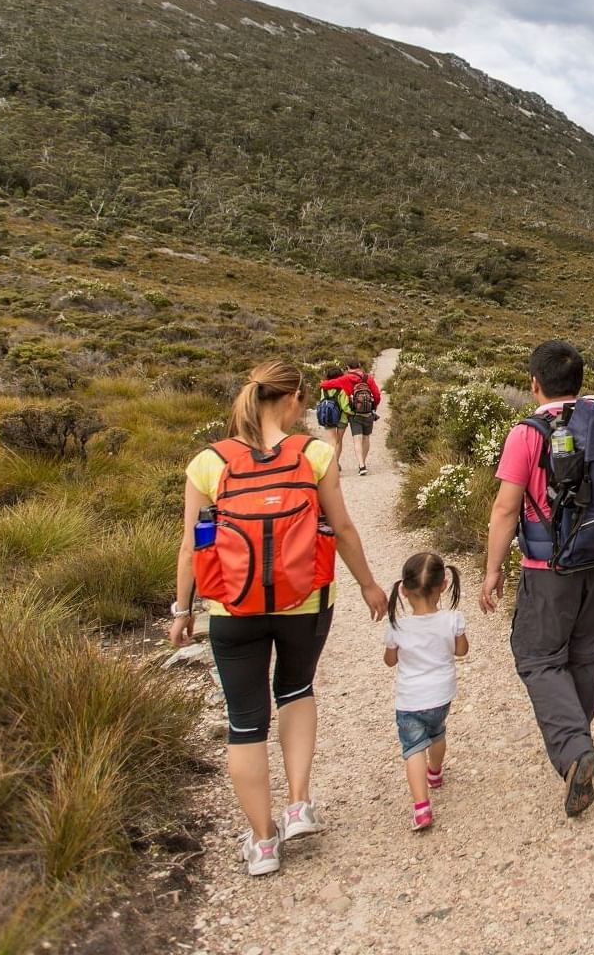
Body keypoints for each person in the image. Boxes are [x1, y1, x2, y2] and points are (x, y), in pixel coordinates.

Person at [168, 359, 388, 877]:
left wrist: (183, 610)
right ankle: (298, 805)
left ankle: (263, 843)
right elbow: (345, 528)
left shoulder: (208, 461)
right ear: (290, 401)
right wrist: (368, 584)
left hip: (231, 606)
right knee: (295, 689)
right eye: (304, 402)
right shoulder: (313, 453)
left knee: (245, 722)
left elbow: (188, 545)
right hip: (305, 601)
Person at [479, 339, 594, 818]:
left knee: (538, 657)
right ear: (579, 382)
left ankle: (574, 753)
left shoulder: (527, 433)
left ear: (535, 385)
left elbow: (506, 508)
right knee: (583, 653)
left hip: (550, 568)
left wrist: (492, 569)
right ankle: (577, 740)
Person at [384, 551, 468, 832]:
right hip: (441, 695)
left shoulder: (398, 626)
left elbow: (390, 660)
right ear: (444, 585)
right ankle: (435, 772)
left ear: (404, 591)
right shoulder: (452, 619)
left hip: (410, 698)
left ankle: (421, 807)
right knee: (437, 733)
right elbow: (461, 651)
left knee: (412, 749)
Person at [320, 359, 382, 476]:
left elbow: (327, 384)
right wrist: (374, 408)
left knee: (354, 439)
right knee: (366, 438)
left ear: (348, 367)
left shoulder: (345, 379)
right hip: (367, 412)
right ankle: (362, 463)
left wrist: (321, 384)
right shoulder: (368, 378)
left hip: (353, 413)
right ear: (359, 366)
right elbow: (377, 395)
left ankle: (356, 465)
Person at [316, 364, 348, 457]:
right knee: (338, 441)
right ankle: (336, 461)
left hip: (328, 415)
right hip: (342, 417)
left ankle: (331, 463)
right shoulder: (342, 388)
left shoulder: (324, 388)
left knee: (331, 440)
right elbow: (344, 405)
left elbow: (322, 401)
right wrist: (351, 413)